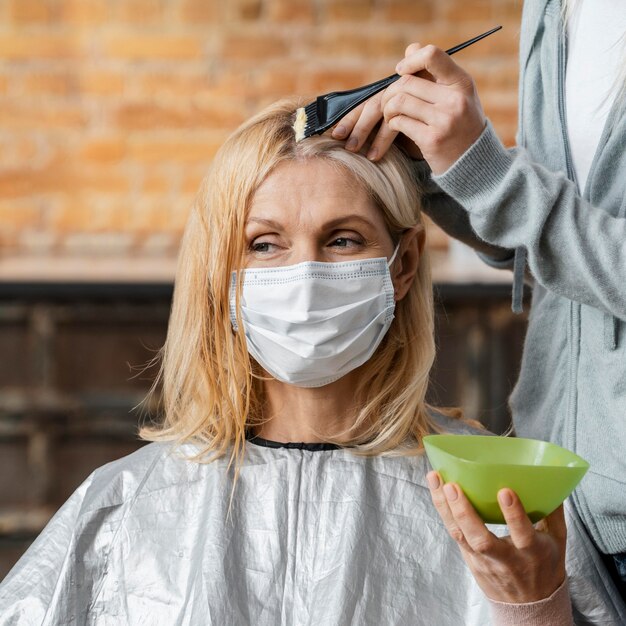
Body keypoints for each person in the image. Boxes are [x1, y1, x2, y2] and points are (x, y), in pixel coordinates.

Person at [0, 100, 623, 625]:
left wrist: (533, 606)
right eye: (264, 244)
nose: (306, 276)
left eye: (343, 238)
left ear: (401, 266)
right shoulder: (128, 503)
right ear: (222, 273)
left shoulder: (492, 505)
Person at [333, 0, 626, 601]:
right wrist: (442, 170)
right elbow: (536, 246)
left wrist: (491, 175)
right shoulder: (554, 10)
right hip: (558, 491)